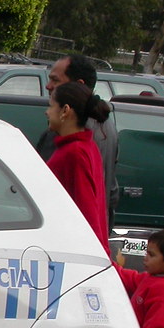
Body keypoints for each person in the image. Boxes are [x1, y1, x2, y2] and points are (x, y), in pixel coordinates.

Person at [36, 55, 120, 227]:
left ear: (79, 85)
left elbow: (44, 190)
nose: (48, 86)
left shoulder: (71, 138)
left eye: (55, 80)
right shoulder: (106, 127)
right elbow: (111, 192)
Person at [45, 81, 111, 250]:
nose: (47, 112)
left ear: (65, 110)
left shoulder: (74, 152)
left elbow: (86, 210)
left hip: (75, 252)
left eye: (51, 106)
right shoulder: (87, 147)